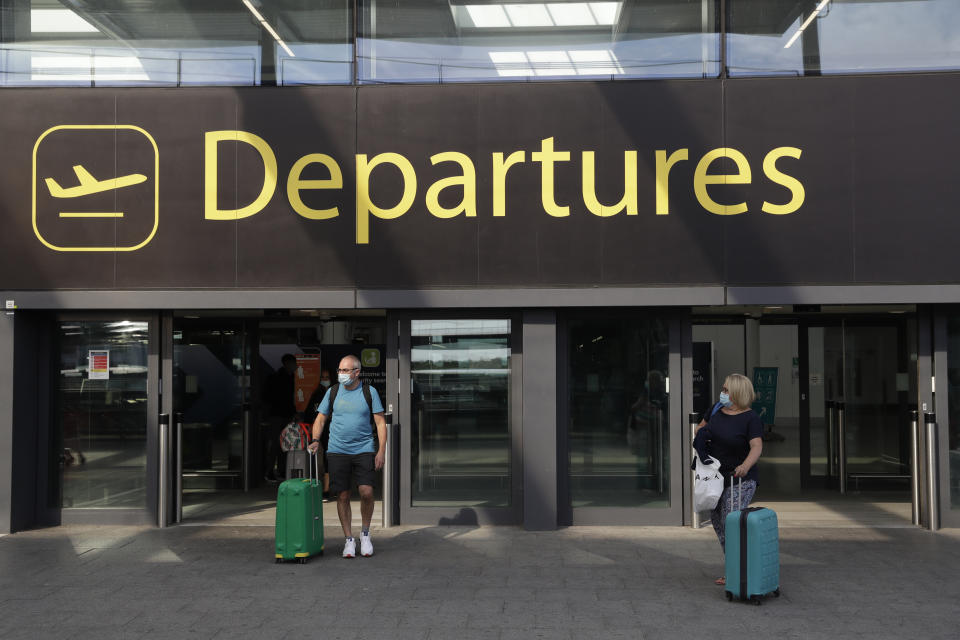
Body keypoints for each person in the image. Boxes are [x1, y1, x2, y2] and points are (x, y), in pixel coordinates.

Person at [307, 355, 387, 558]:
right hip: (337, 450)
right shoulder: (333, 392)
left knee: (367, 492)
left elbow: (379, 423)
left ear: (357, 372)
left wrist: (381, 451)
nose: (341, 374)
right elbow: (320, 419)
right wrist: (315, 439)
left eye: (345, 370)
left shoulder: (370, 392)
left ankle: (366, 534)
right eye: (340, 370)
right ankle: (349, 540)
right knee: (342, 495)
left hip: (364, 449)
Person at [693, 373, 763, 586]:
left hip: (740, 478)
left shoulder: (751, 418)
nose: (722, 394)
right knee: (717, 520)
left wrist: (745, 466)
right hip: (716, 478)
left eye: (726, 390)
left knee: (730, 520)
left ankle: (738, 570)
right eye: (722, 389)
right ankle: (735, 565)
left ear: (737, 393)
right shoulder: (717, 411)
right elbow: (702, 431)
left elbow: (756, 446)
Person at [262, 353, 297, 482]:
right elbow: (269, 397)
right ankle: (270, 471)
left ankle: (280, 470)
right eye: (293, 364)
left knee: (284, 444)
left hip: (285, 415)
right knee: (277, 444)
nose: (295, 366)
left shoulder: (290, 378)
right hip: (277, 415)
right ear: (287, 364)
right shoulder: (277, 379)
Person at [304, 368, 334, 501]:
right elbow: (309, 414)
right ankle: (316, 488)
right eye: (323, 377)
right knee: (316, 461)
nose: (325, 379)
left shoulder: (336, 393)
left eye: (327, 377)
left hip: (332, 431)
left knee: (329, 461)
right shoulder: (316, 394)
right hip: (317, 431)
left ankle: (327, 490)